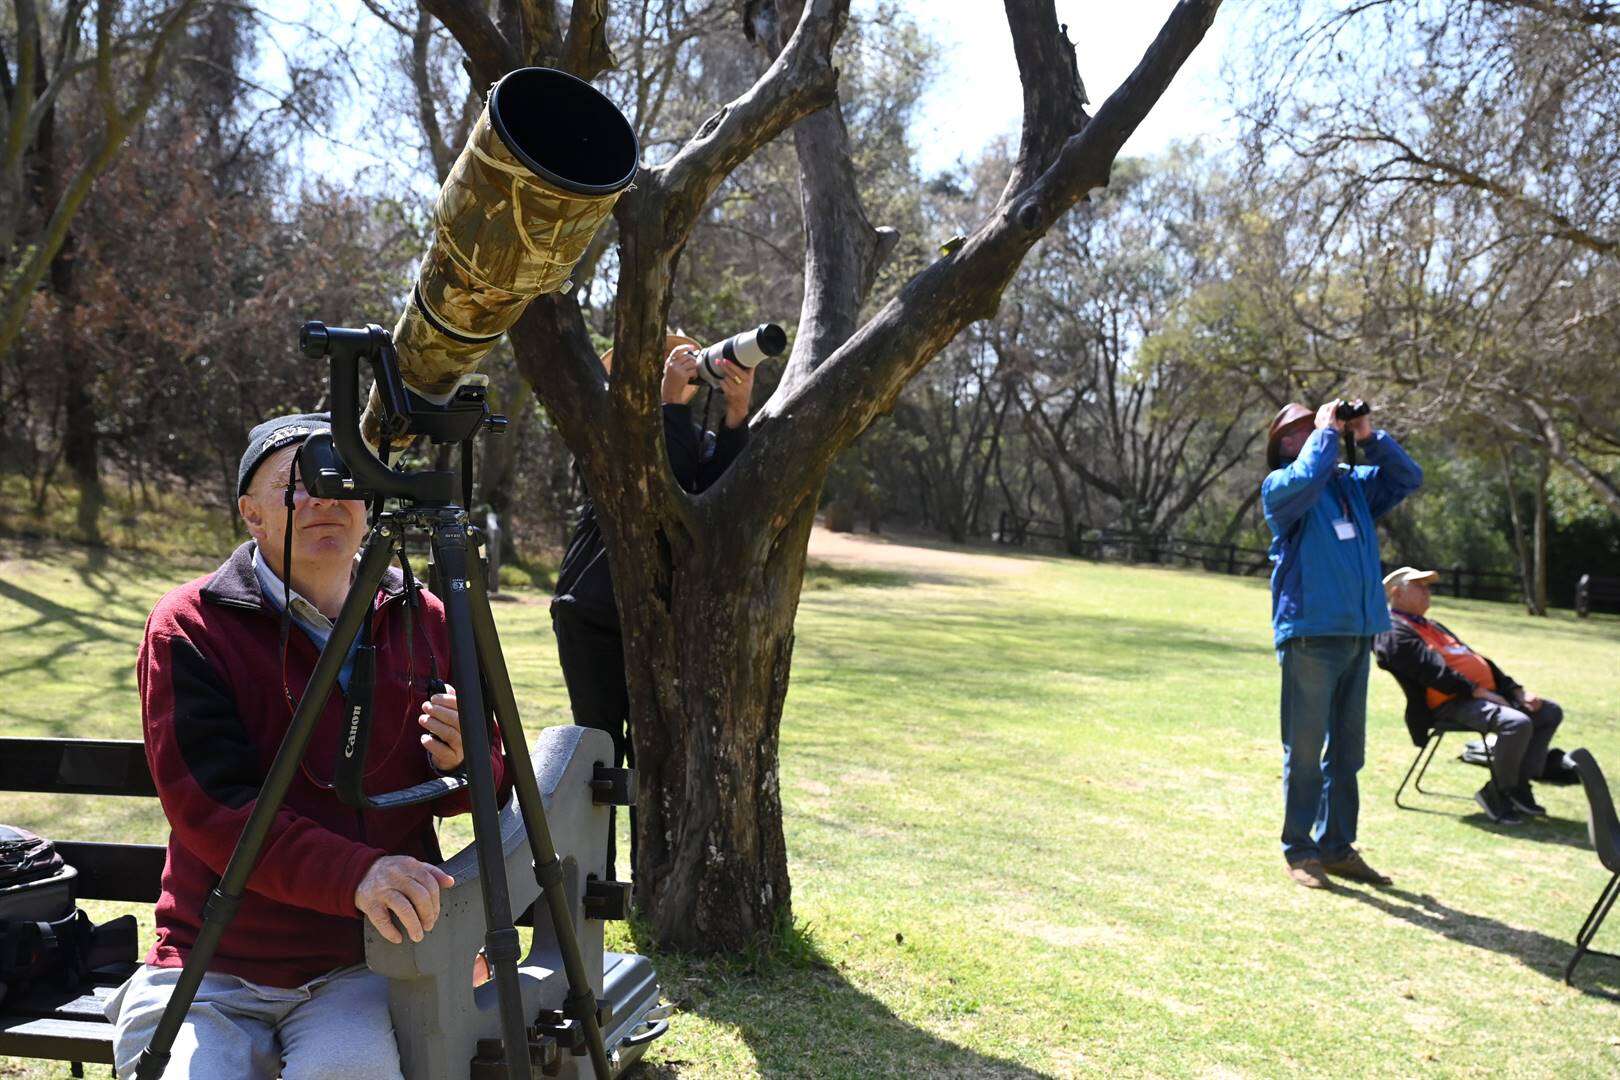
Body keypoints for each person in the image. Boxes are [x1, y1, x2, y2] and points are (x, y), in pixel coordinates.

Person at [107, 413, 505, 1079]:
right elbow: (215, 810)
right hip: (217, 966)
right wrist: (359, 874)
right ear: (251, 515)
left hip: (365, 965)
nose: (323, 497)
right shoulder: (189, 627)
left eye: (342, 478)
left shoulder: (427, 617)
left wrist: (469, 760)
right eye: (296, 483)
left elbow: (489, 785)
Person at [550, 335, 756, 881]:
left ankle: (651, 878)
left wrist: (737, 417)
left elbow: (716, 501)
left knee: (655, 750)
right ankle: (593, 877)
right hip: (591, 614)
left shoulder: (691, 435)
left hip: (661, 619)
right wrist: (667, 406)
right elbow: (648, 489)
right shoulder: (602, 430)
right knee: (597, 747)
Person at [1262, 399, 1423, 889]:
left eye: (1317, 424)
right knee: (1306, 750)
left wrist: (1369, 435)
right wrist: (1327, 434)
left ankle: (1336, 846)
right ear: (1286, 445)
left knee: (1348, 752)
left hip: (1356, 634)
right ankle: (1300, 850)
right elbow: (1306, 476)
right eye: (1302, 430)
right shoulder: (1282, 489)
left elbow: (1407, 477)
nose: (1314, 432)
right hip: (1310, 634)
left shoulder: (1352, 486)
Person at [1374, 566, 1564, 825]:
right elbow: (1431, 672)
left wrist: (1515, 690)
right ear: (1396, 593)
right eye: (1419, 586)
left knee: (1548, 712)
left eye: (1428, 586)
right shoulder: (1392, 631)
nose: (1427, 592)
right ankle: (1497, 793)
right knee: (1516, 724)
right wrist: (1477, 691)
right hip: (1449, 703)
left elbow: (1476, 659)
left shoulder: (1432, 625)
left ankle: (1517, 784)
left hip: (1480, 696)